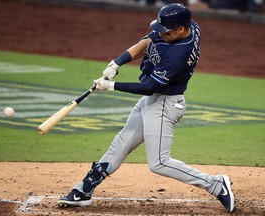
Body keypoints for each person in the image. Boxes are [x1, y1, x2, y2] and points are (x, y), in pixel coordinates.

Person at [57, 3, 235, 213]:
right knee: (121, 143)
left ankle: (215, 184)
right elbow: (149, 40)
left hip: (165, 104)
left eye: (166, 31)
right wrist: (116, 63)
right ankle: (84, 190)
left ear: (180, 29)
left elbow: (149, 87)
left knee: (159, 163)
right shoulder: (189, 26)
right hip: (154, 102)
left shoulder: (178, 56)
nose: (162, 34)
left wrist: (110, 85)